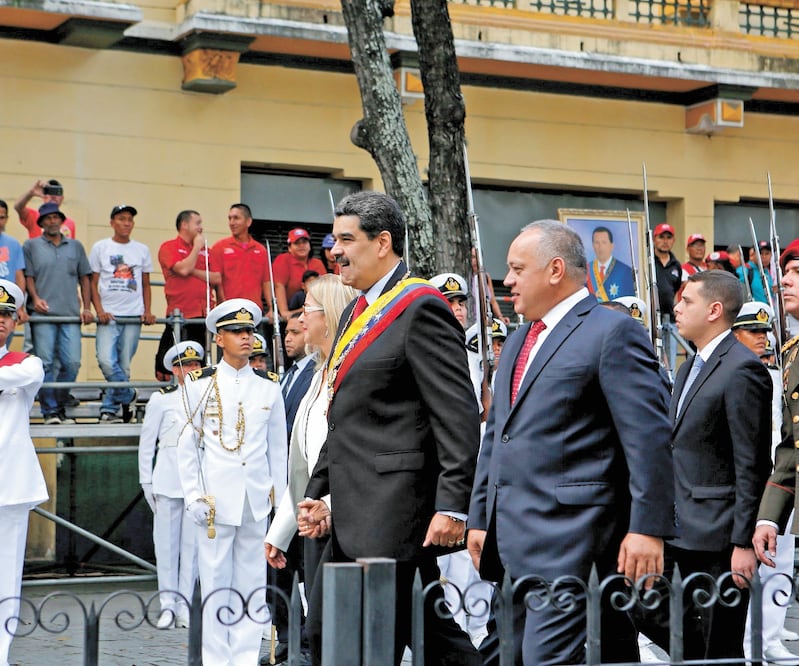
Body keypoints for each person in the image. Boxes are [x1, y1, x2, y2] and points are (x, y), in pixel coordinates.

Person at [467, 220, 674, 665]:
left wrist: (647, 528)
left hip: (573, 540)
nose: (508, 281)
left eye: (518, 268)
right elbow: (497, 434)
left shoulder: (611, 332)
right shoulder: (521, 337)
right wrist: (481, 515)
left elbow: (648, 439)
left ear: (555, 269)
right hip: (512, 542)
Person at [299, 191, 481, 666]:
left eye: (345, 239)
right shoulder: (357, 314)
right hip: (354, 509)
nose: (334, 251)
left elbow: (457, 415)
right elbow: (345, 415)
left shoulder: (421, 306)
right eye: (333, 240)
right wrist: (321, 493)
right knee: (337, 637)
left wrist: (453, 506)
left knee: (377, 636)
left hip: (395, 515)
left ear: (382, 243)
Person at [650, 270, 771, 661]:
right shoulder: (689, 366)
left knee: (721, 642)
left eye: (687, 301)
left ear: (715, 310)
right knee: (643, 602)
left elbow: (752, 463)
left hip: (719, 535)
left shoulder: (742, 368)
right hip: (678, 526)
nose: (677, 307)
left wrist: (742, 542)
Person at [177, 298, 287, 666]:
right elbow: (187, 445)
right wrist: (193, 494)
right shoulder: (198, 384)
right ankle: (215, 660)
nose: (246, 338)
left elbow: (278, 453)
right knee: (215, 584)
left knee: (252, 584)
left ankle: (243, 658)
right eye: (236, 332)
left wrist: (282, 510)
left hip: (256, 500)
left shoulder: (270, 386)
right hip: (214, 502)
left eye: (249, 331)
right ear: (218, 338)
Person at [264, 275, 355, 666]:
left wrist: (329, 506)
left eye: (307, 311)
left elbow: (354, 455)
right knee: (320, 629)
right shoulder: (318, 375)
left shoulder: (350, 372)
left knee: (338, 629)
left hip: (345, 521)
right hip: (313, 521)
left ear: (330, 315)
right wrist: (281, 532)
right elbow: (301, 465)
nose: (300, 320)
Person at [138, 340, 203, 630]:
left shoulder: (207, 397)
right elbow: (146, 443)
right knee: (165, 546)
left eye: (194, 364)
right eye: (184, 365)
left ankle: (185, 605)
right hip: (166, 479)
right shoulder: (161, 399)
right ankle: (167, 604)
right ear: (174, 370)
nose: (190, 369)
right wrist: (146, 480)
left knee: (192, 548)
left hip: (197, 482)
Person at [0, 279, 48, 666]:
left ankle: (0, 652)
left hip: (9, 483)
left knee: (5, 576)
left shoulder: (27, 363)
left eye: (6, 315)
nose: (1, 321)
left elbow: (17, 379)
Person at [23, 202, 93, 424]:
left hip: (71, 314)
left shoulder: (76, 246)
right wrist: (34, 299)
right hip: (42, 315)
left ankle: (59, 401)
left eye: (56, 217)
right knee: (46, 363)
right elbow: (29, 277)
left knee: (72, 362)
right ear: (41, 222)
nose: (53, 221)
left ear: (62, 220)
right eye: (48, 218)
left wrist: (87, 307)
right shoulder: (31, 245)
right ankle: (50, 410)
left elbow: (85, 277)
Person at [753, 238, 799, 574]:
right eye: (785, 272)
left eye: (796, 272)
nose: (784, 279)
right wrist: (769, 515)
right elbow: (790, 447)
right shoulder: (792, 354)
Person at [90, 204, 156, 423]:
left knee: (123, 364)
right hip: (108, 316)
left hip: (133, 315)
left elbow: (146, 284)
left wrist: (147, 311)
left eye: (129, 219)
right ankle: (129, 396)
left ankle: (110, 410)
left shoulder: (142, 249)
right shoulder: (101, 247)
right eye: (121, 219)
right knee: (107, 361)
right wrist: (98, 309)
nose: (126, 223)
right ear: (112, 222)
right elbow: (93, 282)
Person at [155, 209, 220, 381]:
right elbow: (183, 269)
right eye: (197, 223)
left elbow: (216, 277)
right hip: (181, 313)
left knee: (200, 363)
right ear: (184, 225)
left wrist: (193, 270)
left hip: (204, 313)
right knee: (173, 362)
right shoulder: (169, 247)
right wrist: (196, 247)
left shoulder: (208, 251)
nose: (201, 228)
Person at [210, 204, 272, 318]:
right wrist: (224, 307)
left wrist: (271, 308)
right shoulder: (219, 247)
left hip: (254, 310)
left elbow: (266, 281)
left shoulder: (260, 249)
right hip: (229, 310)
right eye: (230, 218)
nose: (231, 222)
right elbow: (217, 283)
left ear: (248, 222)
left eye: (236, 218)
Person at [271, 228, 326, 321]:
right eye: (297, 243)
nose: (301, 246)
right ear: (289, 247)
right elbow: (279, 286)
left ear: (309, 245)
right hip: (292, 309)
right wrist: (284, 312)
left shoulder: (317, 263)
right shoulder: (283, 260)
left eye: (304, 242)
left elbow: (325, 288)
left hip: (315, 310)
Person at [280, 312, 316, 438]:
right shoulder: (289, 373)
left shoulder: (316, 372)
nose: (287, 339)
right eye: (286, 333)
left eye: (295, 333)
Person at [654, 223, 683, 369]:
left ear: (673, 241)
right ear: (654, 239)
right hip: (651, 320)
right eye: (661, 237)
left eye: (668, 237)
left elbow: (675, 288)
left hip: (670, 320)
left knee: (669, 363)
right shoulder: (649, 261)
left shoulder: (676, 265)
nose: (665, 241)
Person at [586, 226, 635, 301]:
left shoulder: (625, 271)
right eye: (597, 243)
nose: (600, 247)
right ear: (593, 246)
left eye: (604, 242)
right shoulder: (586, 270)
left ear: (612, 245)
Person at [0, 199, 26, 309]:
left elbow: (19, 276)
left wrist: (20, 307)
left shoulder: (14, 244)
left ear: (6, 219)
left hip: (7, 303)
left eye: (1, 217)